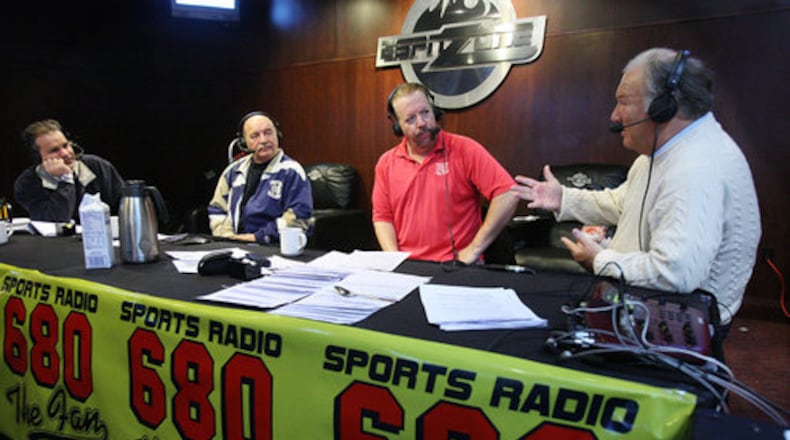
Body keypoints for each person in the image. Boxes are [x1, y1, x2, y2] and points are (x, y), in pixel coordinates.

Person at [510, 48, 761, 328]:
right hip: (642, 309)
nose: (614, 116)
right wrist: (563, 198)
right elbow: (622, 204)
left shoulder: (697, 168)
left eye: (623, 102)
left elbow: (674, 274)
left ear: (664, 106)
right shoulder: (658, 155)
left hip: (676, 326)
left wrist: (600, 260)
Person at [372, 83, 518, 264]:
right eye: (410, 119)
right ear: (397, 126)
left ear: (435, 112)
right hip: (409, 266)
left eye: (425, 112)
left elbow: (508, 193)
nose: (422, 123)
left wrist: (474, 249)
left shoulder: (464, 149)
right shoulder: (386, 163)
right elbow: (383, 217)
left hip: (457, 265)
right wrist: (393, 259)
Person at [208, 111, 313, 244]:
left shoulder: (291, 171)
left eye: (268, 133)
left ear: (277, 134)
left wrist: (258, 237)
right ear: (243, 142)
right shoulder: (232, 171)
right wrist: (227, 237)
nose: (263, 140)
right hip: (233, 244)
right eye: (255, 136)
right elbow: (217, 209)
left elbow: (298, 216)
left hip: (272, 245)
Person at [14, 119, 125, 222]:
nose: (65, 153)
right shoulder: (27, 183)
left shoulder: (96, 166)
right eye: (54, 150)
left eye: (66, 145)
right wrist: (65, 179)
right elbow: (57, 221)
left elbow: (125, 205)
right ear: (39, 158)